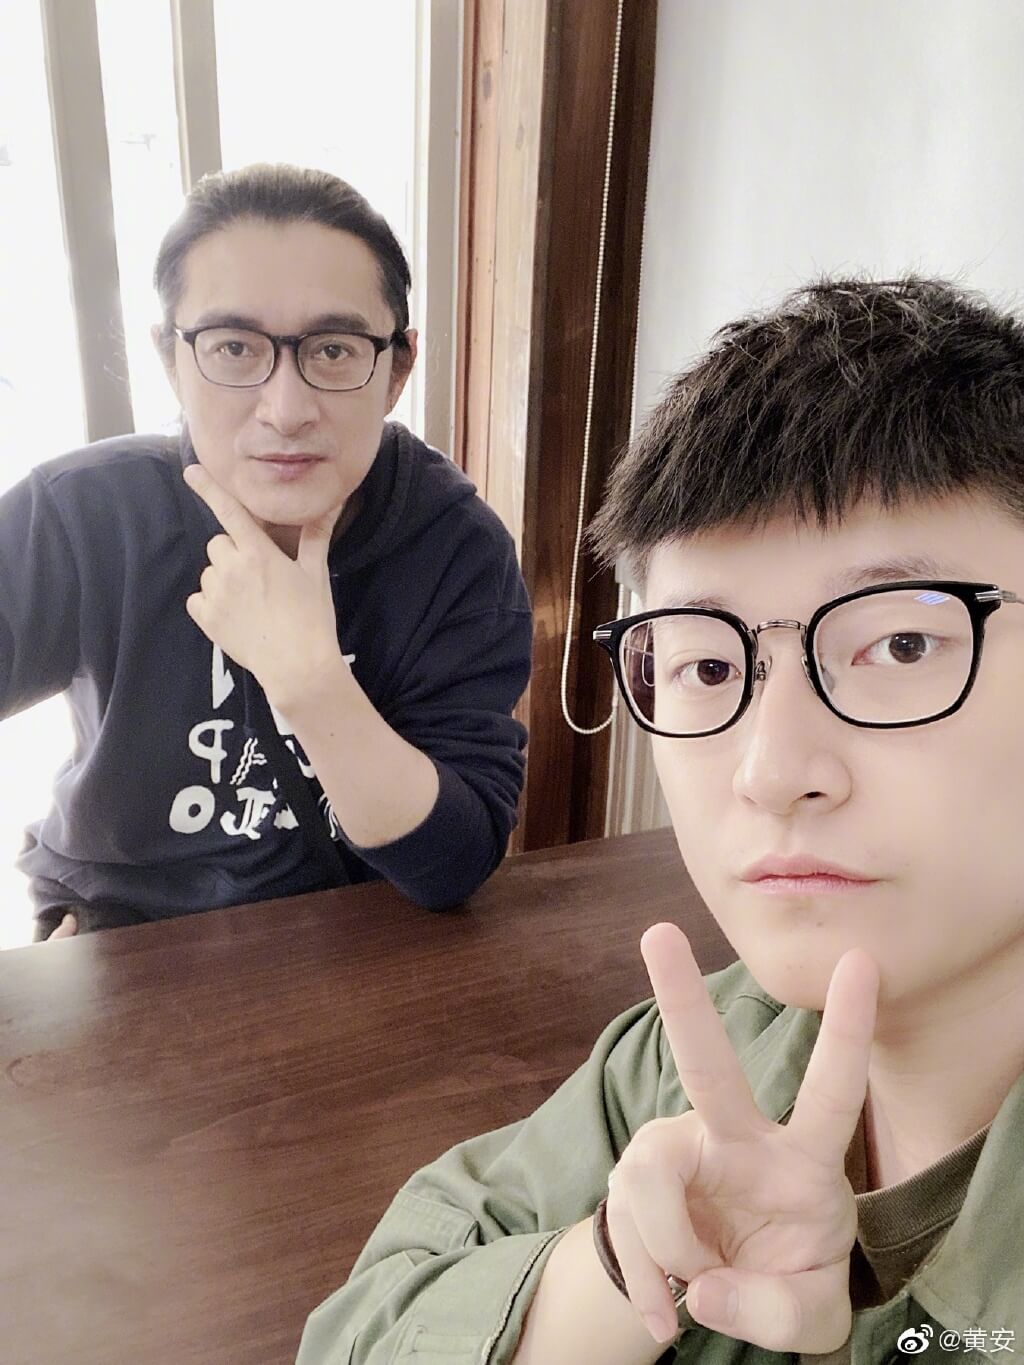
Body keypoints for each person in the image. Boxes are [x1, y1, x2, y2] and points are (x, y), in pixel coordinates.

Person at [295, 276, 1024, 1365]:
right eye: (706, 665)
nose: (771, 770)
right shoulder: (706, 1051)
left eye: (901, 644)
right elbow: (365, 1329)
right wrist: (623, 1269)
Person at [0, 164, 532, 939]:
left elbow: (454, 861)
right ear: (172, 359)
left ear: (396, 368)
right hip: (117, 934)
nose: (285, 410)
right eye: (233, 347)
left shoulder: (456, 549)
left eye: (335, 349)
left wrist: (310, 679)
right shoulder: (84, 515)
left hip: (360, 938)